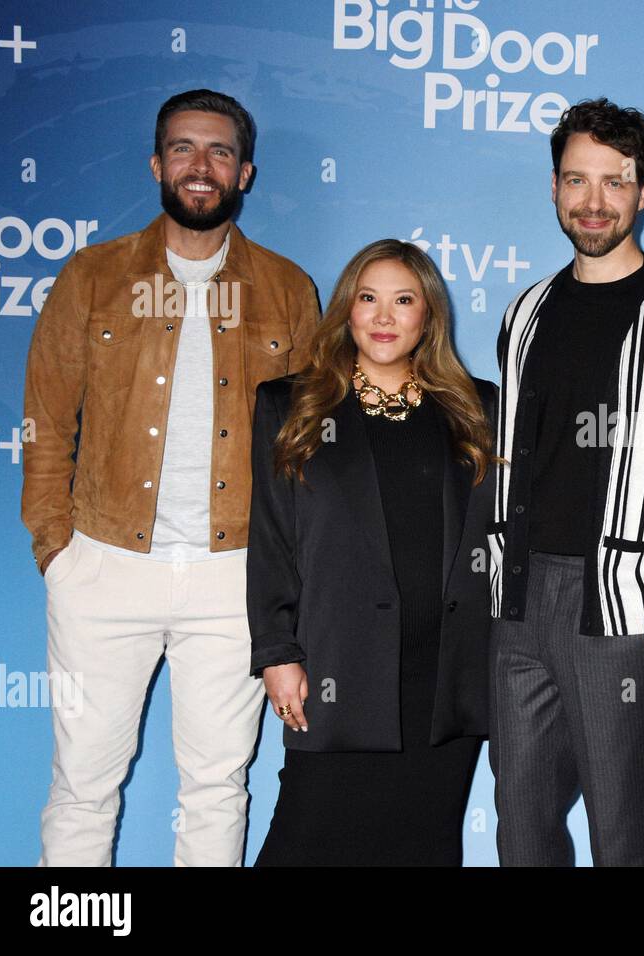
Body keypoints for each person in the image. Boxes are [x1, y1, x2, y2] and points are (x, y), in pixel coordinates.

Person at [22, 89, 319, 866]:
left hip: (233, 579)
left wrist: (287, 576)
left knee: (218, 787)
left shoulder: (288, 290)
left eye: (220, 151)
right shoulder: (91, 277)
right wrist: (59, 552)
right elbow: (48, 422)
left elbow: (307, 448)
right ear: (158, 164)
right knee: (84, 784)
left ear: (245, 172)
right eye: (184, 148)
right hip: (104, 566)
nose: (201, 166)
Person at [487, 97, 644, 866]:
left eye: (614, 181)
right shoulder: (525, 312)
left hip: (621, 610)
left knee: (623, 837)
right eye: (576, 180)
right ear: (555, 188)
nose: (593, 201)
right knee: (521, 832)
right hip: (520, 604)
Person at [249, 239, 497, 867]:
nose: (384, 317)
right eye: (368, 298)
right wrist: (278, 652)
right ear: (348, 310)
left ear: (428, 316)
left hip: (444, 678)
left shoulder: (480, 408)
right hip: (340, 669)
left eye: (403, 300)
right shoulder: (292, 404)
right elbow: (272, 539)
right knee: (305, 845)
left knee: (423, 847)